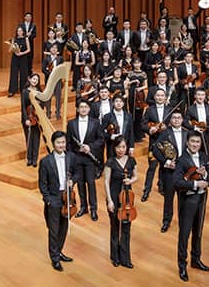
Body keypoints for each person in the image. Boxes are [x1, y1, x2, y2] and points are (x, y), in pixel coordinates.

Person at [173, 131, 209, 282]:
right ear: (187, 143)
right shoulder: (181, 160)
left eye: (197, 142)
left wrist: (205, 175)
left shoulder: (204, 157)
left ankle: (196, 259)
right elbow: (177, 182)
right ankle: (182, 265)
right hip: (188, 200)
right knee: (185, 233)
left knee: (198, 231)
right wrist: (196, 184)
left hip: (202, 198)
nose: (195, 144)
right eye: (192, 141)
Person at [38, 130, 77, 271]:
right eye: (58, 142)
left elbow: (77, 173)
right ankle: (54, 258)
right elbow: (42, 184)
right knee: (54, 230)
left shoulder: (71, 157)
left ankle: (59, 251)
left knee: (63, 228)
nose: (61, 145)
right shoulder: (45, 161)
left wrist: (73, 180)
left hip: (67, 197)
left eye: (63, 142)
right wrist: (48, 200)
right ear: (53, 144)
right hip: (54, 199)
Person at [66, 99, 105, 220]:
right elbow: (68, 142)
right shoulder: (71, 123)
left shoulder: (95, 123)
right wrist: (71, 157)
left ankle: (93, 209)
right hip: (77, 158)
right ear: (77, 109)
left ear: (89, 109)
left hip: (89, 158)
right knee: (80, 183)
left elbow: (101, 139)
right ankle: (83, 207)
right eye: (81, 107)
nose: (83, 109)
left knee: (91, 183)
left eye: (85, 107)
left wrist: (90, 147)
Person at [104, 136, 137, 268]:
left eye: (123, 147)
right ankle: (115, 257)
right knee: (115, 228)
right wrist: (109, 201)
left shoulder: (131, 160)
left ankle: (125, 259)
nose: (121, 150)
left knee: (126, 229)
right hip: (114, 196)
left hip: (127, 199)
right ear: (114, 148)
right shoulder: (110, 162)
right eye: (118, 147)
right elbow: (106, 182)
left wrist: (130, 181)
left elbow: (136, 176)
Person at [153, 110, 188, 232]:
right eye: (174, 118)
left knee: (183, 198)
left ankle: (183, 221)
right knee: (168, 198)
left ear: (182, 120)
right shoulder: (164, 133)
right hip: (170, 171)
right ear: (171, 120)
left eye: (179, 118)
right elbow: (156, 150)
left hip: (184, 172)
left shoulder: (187, 133)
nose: (176, 120)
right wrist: (166, 162)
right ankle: (166, 221)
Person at [140, 88, 169, 202]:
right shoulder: (149, 110)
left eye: (162, 95)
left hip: (165, 143)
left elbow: (174, 125)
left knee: (163, 166)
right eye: (158, 95)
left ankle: (161, 186)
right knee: (152, 167)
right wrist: (149, 129)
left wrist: (167, 127)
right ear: (155, 97)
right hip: (154, 143)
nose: (160, 97)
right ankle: (146, 191)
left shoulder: (170, 110)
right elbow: (143, 124)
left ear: (165, 98)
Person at [21, 72, 42, 166]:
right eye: (34, 79)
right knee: (29, 138)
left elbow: (43, 104)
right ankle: (29, 158)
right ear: (29, 79)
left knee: (36, 139)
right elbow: (23, 106)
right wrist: (26, 119)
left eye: (37, 80)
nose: (35, 81)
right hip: (28, 118)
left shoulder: (39, 92)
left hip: (37, 118)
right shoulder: (25, 92)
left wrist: (40, 103)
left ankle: (35, 159)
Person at [7, 25, 31, 97]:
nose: (19, 32)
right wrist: (12, 46)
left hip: (23, 58)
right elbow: (9, 51)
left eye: (20, 31)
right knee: (13, 74)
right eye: (18, 31)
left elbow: (29, 50)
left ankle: (23, 90)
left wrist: (21, 53)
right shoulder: (14, 39)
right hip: (15, 58)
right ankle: (12, 90)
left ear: (23, 31)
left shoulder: (26, 39)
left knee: (23, 74)